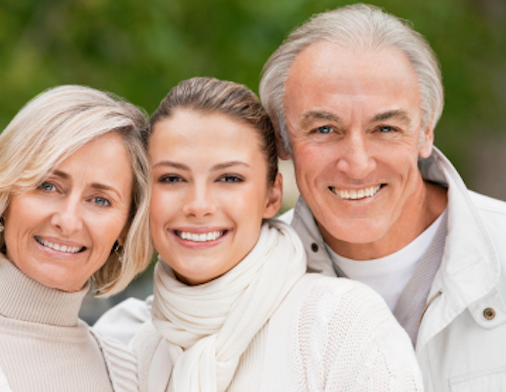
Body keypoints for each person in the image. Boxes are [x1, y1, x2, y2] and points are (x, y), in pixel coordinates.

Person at [106, 76, 422, 391]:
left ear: (272, 196)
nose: (198, 206)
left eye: (229, 178)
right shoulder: (133, 347)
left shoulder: (343, 325)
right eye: (172, 178)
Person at [258, 4, 506, 392]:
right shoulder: (250, 275)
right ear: (283, 140)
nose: (356, 165)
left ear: (426, 132)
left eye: (386, 128)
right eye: (324, 129)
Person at [0, 85, 151, 392]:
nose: (68, 221)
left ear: (127, 228)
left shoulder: (131, 376)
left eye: (100, 200)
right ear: (5, 196)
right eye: (47, 186)